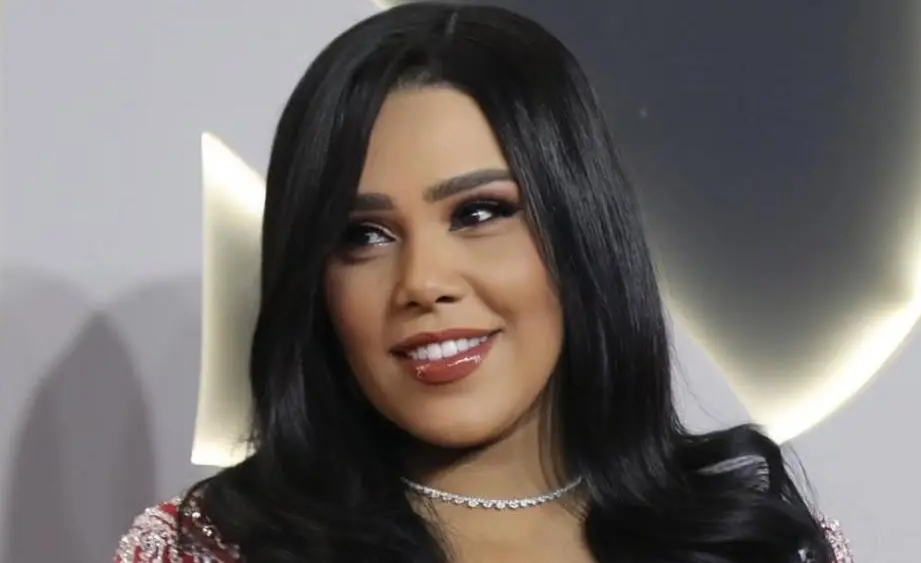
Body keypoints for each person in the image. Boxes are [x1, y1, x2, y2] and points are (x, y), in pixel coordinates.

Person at [114, 3, 854, 562]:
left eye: (478, 213)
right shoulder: (206, 551)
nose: (423, 282)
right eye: (363, 235)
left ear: (580, 229)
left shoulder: (755, 544)